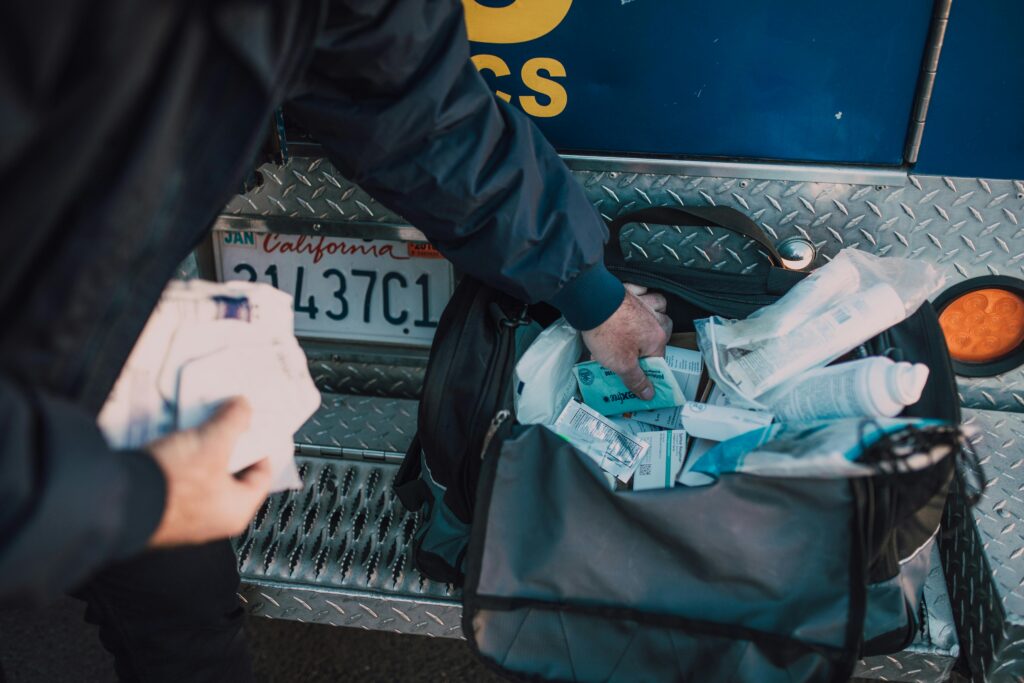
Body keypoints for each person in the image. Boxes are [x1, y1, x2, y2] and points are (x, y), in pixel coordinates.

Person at [0, 0, 671, 680]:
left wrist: (592, 296)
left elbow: (420, 114)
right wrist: (132, 497)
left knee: (178, 601)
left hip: (78, 341)